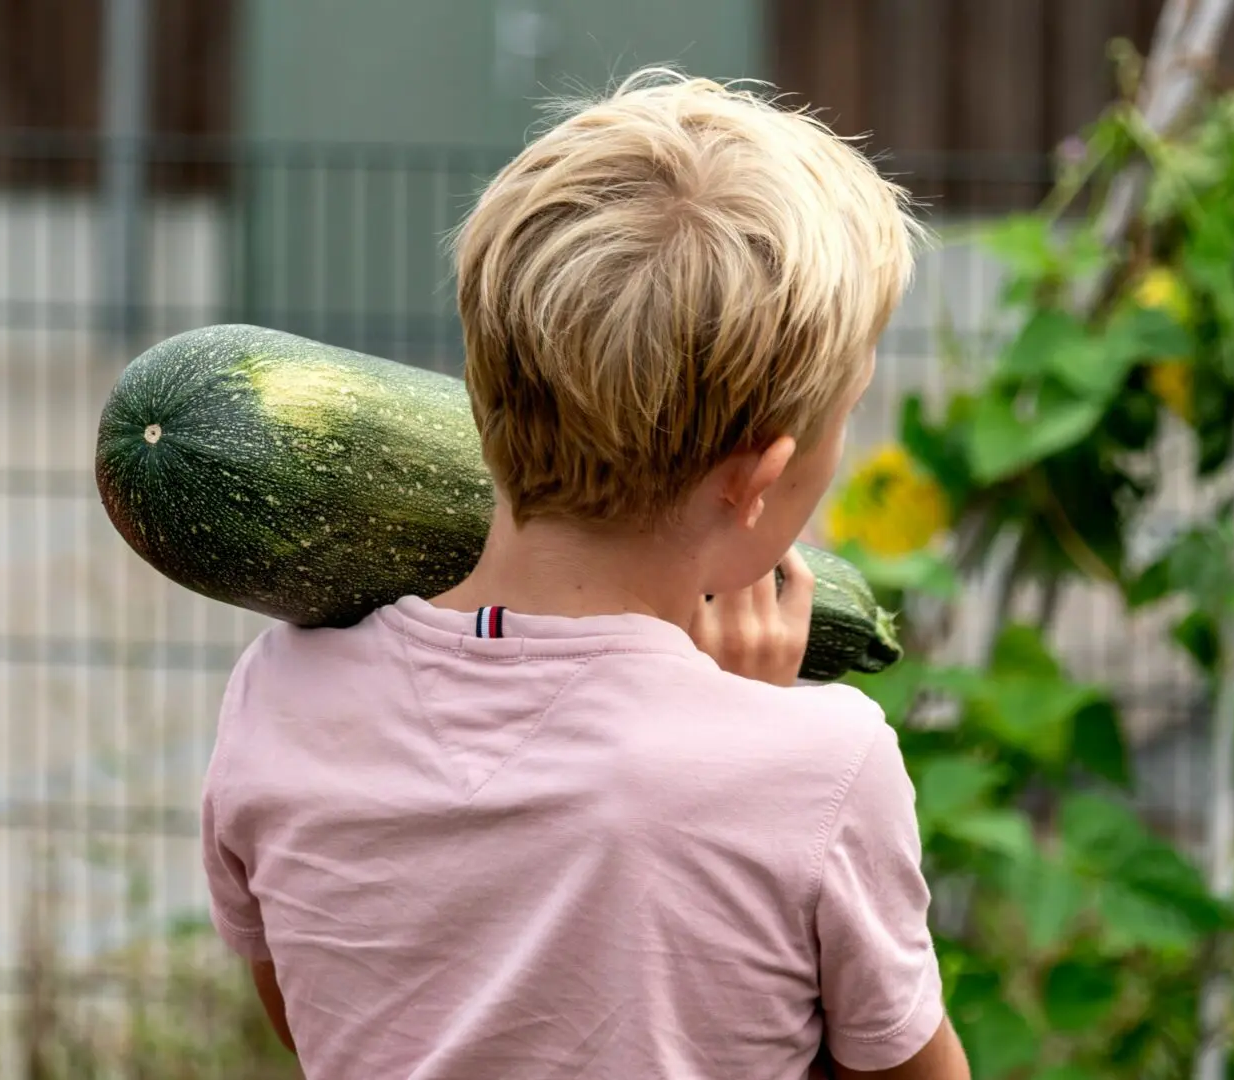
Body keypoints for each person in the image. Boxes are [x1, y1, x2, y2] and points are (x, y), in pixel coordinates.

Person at [201, 68, 970, 1080]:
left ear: (478, 391)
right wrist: (743, 730)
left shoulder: (279, 698)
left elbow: (310, 1020)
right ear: (758, 479)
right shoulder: (821, 767)